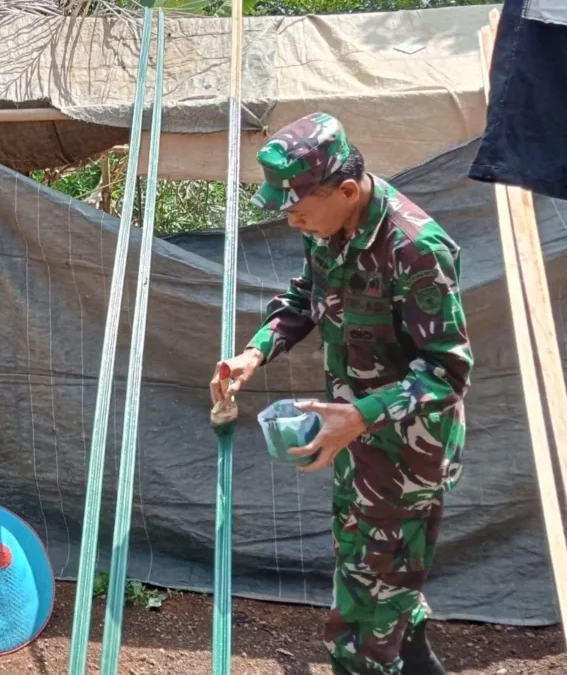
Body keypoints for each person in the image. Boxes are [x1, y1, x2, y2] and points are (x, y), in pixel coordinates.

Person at [210, 112, 472, 675]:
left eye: (300, 210)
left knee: (361, 615)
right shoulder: (330, 231)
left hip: (409, 453)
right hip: (352, 435)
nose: (294, 223)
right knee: (369, 562)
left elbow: (447, 370)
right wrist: (253, 353)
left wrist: (361, 416)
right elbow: (306, 298)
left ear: (347, 190)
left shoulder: (417, 249)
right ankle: (415, 655)